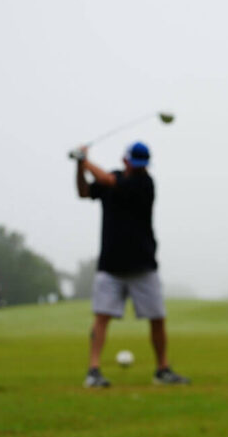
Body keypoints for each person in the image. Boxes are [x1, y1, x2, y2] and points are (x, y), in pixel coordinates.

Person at [74, 141, 189, 387]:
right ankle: (93, 371)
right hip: (110, 266)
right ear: (125, 160)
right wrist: (79, 168)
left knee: (157, 318)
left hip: (143, 265)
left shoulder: (145, 183)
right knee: (101, 318)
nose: (139, 168)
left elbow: (108, 181)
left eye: (142, 165)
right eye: (135, 163)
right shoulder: (111, 179)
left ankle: (162, 370)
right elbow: (84, 192)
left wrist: (85, 161)